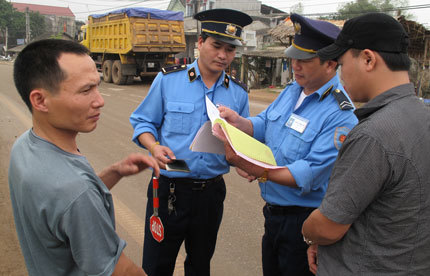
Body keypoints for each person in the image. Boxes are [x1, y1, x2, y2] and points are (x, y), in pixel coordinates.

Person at [216, 13, 358, 276]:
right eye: (294, 57)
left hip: (304, 223)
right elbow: (265, 123)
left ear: (330, 64)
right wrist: (239, 122)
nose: (295, 65)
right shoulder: (293, 90)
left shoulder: (340, 115)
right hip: (273, 216)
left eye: (304, 60)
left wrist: (256, 169)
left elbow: (310, 172)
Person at [9, 39, 160, 276]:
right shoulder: (75, 191)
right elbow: (120, 271)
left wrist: (116, 171)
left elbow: (59, 208)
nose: (100, 100)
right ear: (40, 100)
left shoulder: (24, 147)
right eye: (86, 90)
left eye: (97, 86)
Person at [301, 12, 430, 276]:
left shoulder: (373, 135)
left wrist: (309, 234)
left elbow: (327, 226)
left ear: (368, 59)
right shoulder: (422, 115)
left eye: (342, 61)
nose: (339, 71)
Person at [129, 9, 252, 276]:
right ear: (200, 43)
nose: (223, 55)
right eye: (216, 46)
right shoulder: (169, 79)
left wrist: (245, 163)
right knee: (157, 264)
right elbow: (143, 122)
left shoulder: (239, 93)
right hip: (170, 186)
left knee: (200, 264)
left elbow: (241, 143)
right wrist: (153, 146)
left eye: (230, 50)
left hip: (210, 193)